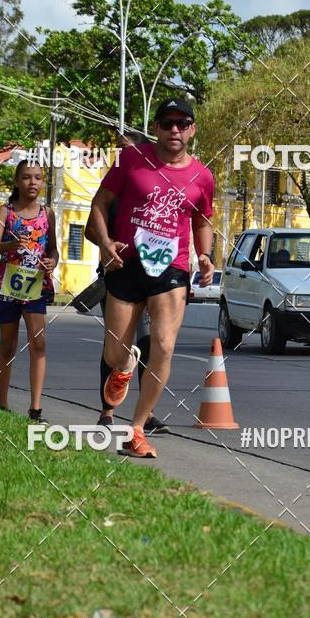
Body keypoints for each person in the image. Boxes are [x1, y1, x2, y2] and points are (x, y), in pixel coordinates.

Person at [88, 98, 215, 458]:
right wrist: (105, 243)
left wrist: (205, 256)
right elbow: (99, 204)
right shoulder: (130, 159)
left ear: (192, 129)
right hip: (126, 264)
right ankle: (126, 365)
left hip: (172, 269)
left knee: (164, 345)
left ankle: (137, 430)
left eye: (182, 123)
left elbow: (202, 220)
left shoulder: (203, 176)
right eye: (167, 123)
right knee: (115, 353)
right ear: (156, 127)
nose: (175, 129)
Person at [85, 133, 170, 435]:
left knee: (148, 344)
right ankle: (107, 411)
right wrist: (108, 242)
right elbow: (89, 230)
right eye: (118, 150)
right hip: (117, 276)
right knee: (116, 347)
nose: (121, 154)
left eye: (127, 149)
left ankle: (147, 414)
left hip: (153, 279)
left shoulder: (153, 191)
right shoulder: (111, 189)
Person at [0, 160, 58, 423]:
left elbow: (53, 248)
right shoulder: (5, 212)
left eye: (38, 177)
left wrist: (53, 261)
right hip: (8, 285)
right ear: (16, 181)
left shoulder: (47, 213)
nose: (32, 182)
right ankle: (3, 402)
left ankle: (35, 408)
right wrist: (10, 244)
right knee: (8, 344)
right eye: (27, 177)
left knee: (38, 343)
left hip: (36, 286)